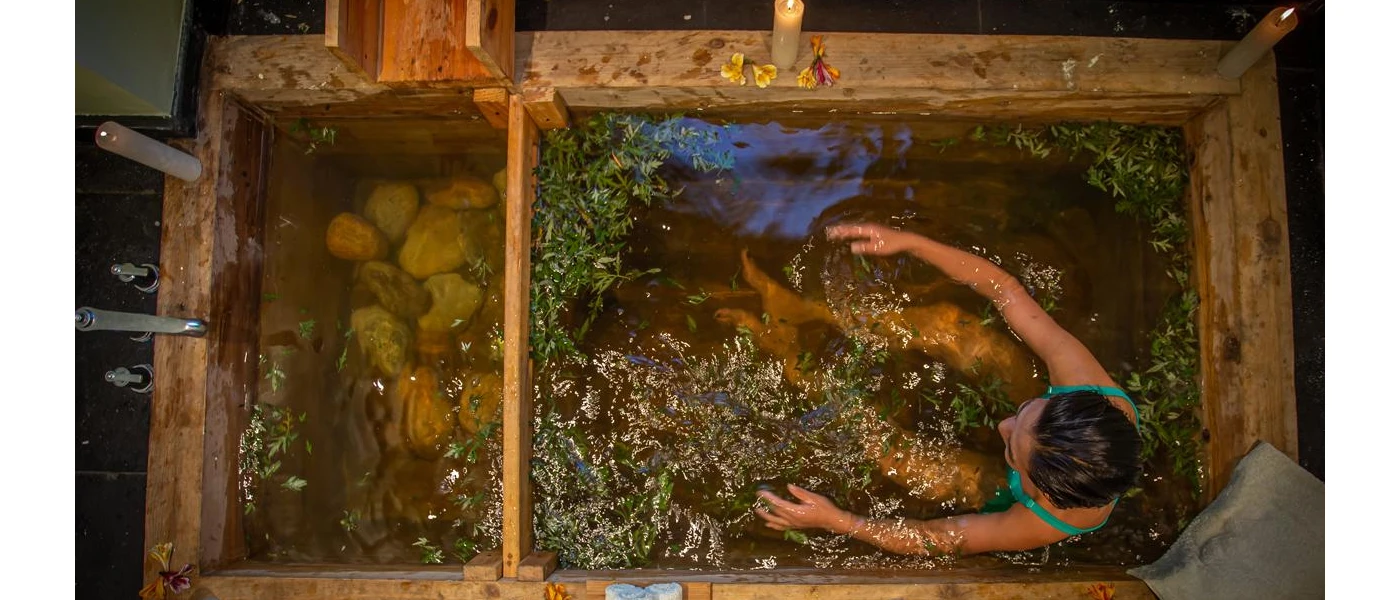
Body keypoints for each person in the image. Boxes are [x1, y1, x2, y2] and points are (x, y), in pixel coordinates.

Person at [753, 222, 1143, 556]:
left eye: (1011, 451)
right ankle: (808, 310)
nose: (1002, 425)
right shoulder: (1085, 385)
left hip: (1009, 487)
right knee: (951, 326)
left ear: (1037, 491)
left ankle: (790, 357)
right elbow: (1006, 290)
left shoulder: (1045, 518)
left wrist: (838, 520)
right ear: (1071, 398)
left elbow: (941, 537)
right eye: (1028, 409)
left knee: (890, 451)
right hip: (1050, 441)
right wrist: (913, 243)